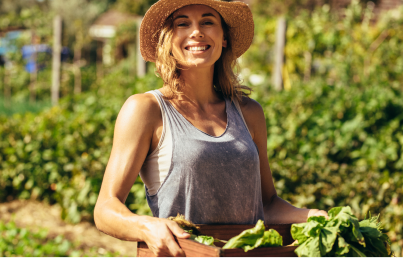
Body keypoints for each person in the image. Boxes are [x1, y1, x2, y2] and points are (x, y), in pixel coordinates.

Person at [94, 0, 328, 257]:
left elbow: (267, 203)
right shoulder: (147, 109)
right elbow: (105, 208)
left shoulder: (249, 113)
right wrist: (146, 226)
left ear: (224, 38)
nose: (196, 31)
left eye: (208, 22)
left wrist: (312, 216)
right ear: (168, 40)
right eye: (183, 24)